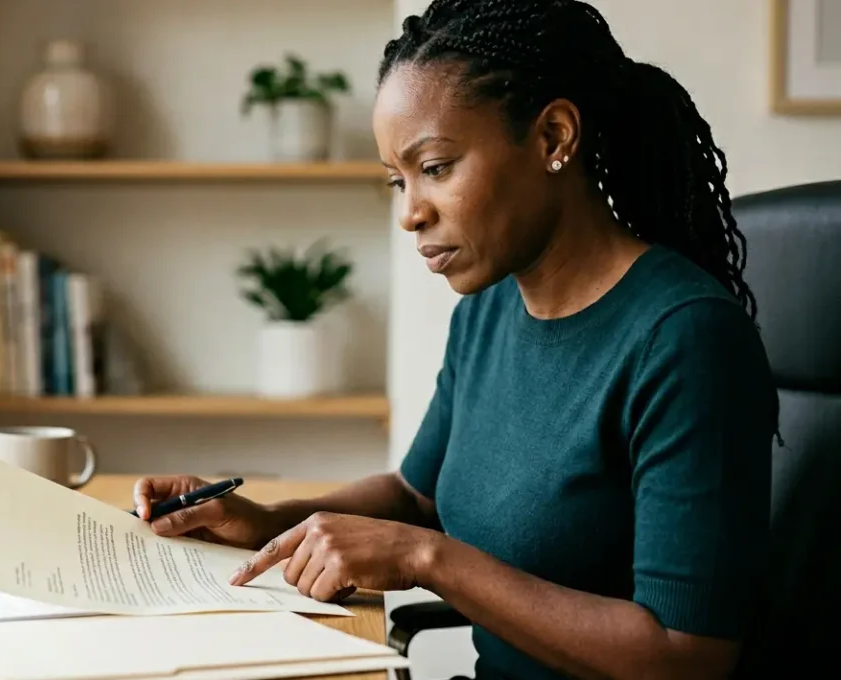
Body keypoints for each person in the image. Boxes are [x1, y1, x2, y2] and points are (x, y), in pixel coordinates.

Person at [131, 1, 780, 678]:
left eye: (435, 167)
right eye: (397, 180)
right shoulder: (491, 306)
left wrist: (424, 558)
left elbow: (687, 657)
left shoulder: (685, 340)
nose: (410, 212)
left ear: (554, 137)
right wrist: (264, 520)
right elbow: (416, 498)